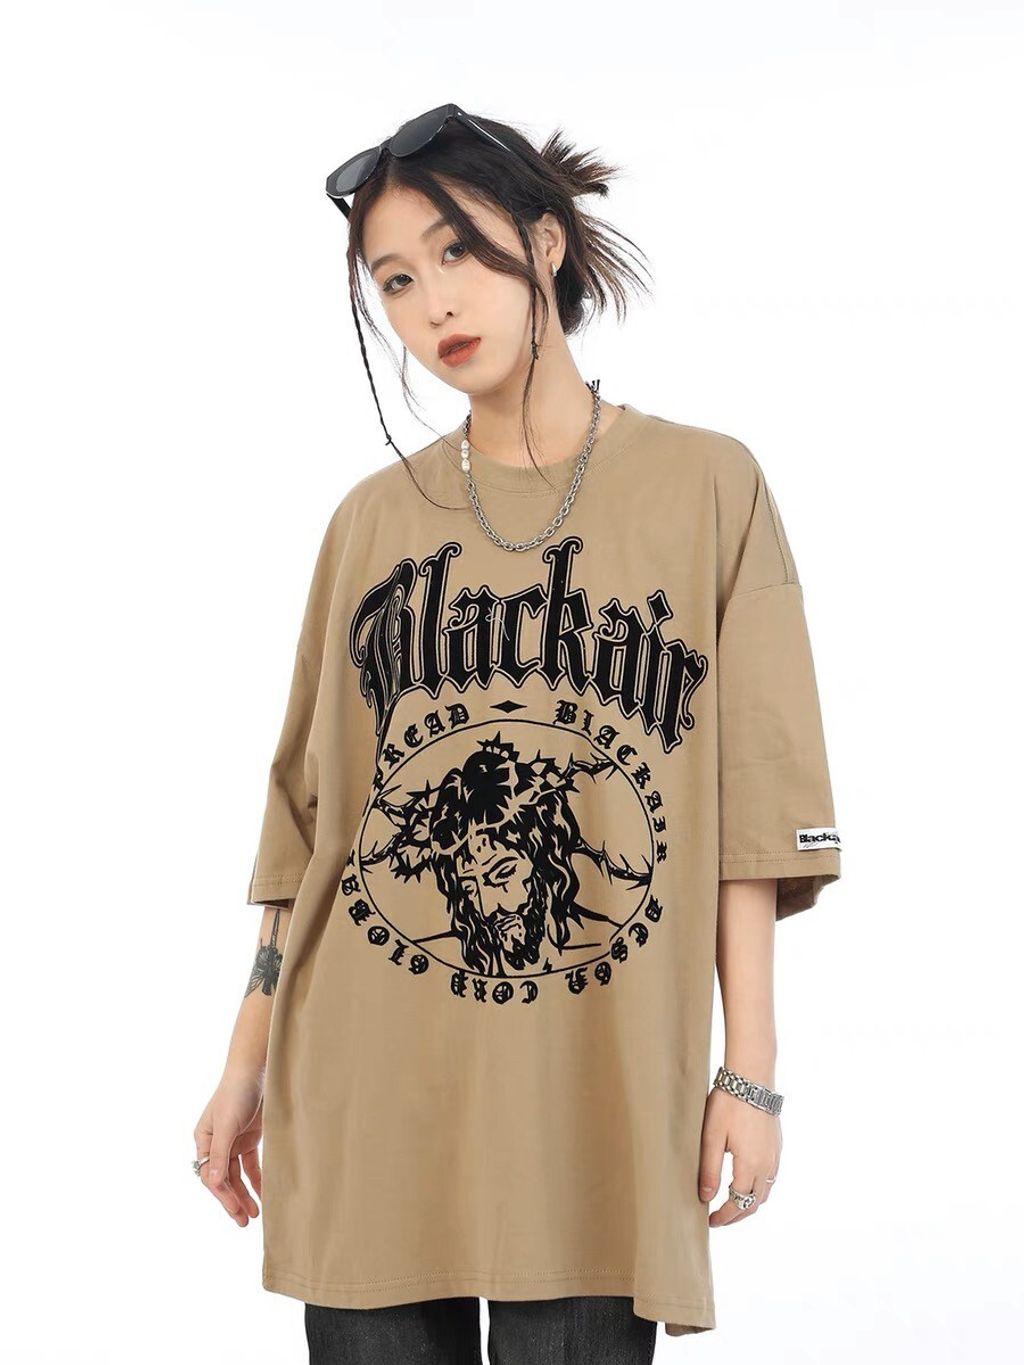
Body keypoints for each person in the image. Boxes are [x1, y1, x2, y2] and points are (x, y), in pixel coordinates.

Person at [193, 104, 842, 1364]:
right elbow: (308, 827)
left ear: (544, 243)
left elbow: (754, 809)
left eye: (457, 251)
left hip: (597, 1104)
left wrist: (749, 1074)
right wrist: (243, 1062)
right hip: (370, 1091)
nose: (433, 301)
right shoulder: (371, 523)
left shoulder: (708, 485)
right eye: (395, 279)